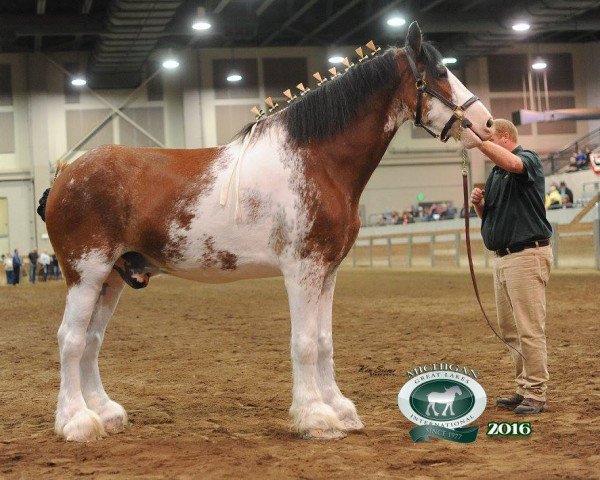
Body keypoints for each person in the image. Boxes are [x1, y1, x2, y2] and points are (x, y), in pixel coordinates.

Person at [470, 118, 553, 415]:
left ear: (504, 136)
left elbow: (514, 164)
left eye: (490, 139)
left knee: (529, 328)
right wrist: (479, 204)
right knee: (511, 329)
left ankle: (536, 392)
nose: (484, 146)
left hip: (526, 256)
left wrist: (479, 141)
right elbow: (490, 218)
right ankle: (523, 387)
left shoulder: (527, 159)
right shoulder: (496, 174)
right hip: (504, 258)